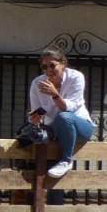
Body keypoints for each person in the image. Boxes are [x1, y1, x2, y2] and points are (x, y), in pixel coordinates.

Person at [28, 48, 93, 179]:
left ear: (63, 63)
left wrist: (55, 94)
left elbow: (68, 108)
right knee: (50, 172)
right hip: (54, 129)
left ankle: (66, 160)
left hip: (80, 127)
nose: (48, 70)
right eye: (44, 67)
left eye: (52, 65)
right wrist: (35, 119)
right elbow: (37, 114)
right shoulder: (37, 83)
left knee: (64, 117)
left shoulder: (76, 77)